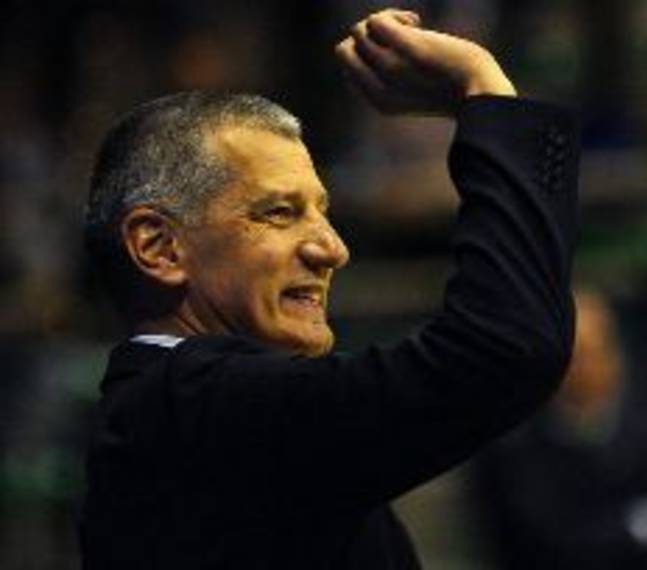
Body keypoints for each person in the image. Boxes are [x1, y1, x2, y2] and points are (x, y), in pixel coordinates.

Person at [80, 8, 580, 569]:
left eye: (323, 213)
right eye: (279, 212)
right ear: (158, 247)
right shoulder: (193, 411)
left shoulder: (198, 416)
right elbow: (505, 347)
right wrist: (483, 89)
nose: (332, 249)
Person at [473, 290, 647, 569]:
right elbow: (538, 540)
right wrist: (634, 530)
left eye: (588, 354)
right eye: (570, 357)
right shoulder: (515, 449)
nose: (579, 370)